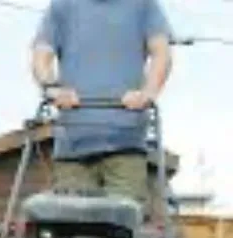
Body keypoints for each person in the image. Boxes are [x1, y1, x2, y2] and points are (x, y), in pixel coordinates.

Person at [31, 0, 174, 222]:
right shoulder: (62, 6)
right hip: (72, 148)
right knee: (68, 226)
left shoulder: (144, 5)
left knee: (124, 226)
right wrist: (52, 88)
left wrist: (148, 93)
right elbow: (42, 54)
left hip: (126, 145)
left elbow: (161, 53)